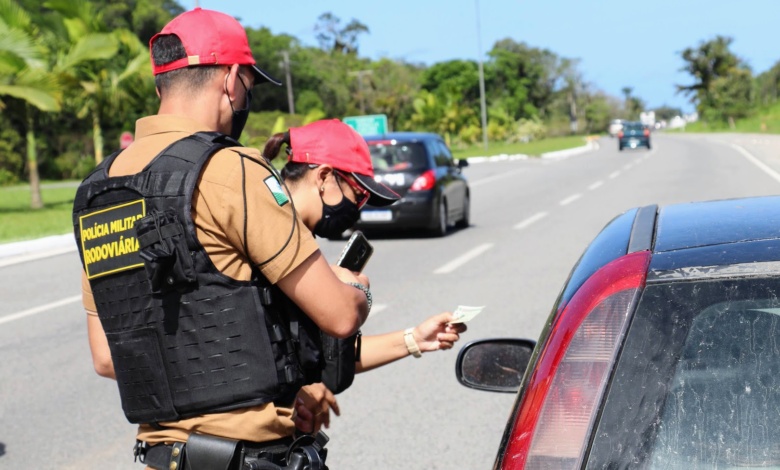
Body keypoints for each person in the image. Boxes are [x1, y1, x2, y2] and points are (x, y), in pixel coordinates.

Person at [72, 8, 380, 470]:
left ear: (162, 87)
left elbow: (107, 356)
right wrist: (357, 289)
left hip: (162, 458)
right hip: (252, 458)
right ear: (232, 80)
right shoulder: (231, 169)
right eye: (249, 89)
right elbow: (337, 315)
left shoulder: (98, 190)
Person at [262, 119, 468, 433]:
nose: (357, 209)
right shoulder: (266, 239)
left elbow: (323, 356)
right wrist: (297, 389)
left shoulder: (300, 244)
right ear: (324, 177)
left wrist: (415, 339)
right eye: (357, 195)